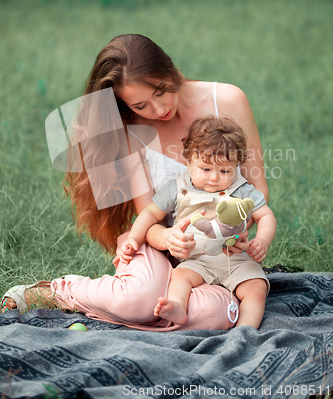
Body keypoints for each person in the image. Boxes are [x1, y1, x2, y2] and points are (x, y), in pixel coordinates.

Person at [1, 34, 269, 331]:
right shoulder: (132, 133)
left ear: (169, 70)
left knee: (213, 316)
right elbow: (150, 218)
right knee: (138, 300)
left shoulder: (228, 100)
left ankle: (148, 307)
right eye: (141, 105)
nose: (158, 109)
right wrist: (168, 239)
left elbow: (257, 193)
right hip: (156, 246)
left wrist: (241, 231)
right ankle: (61, 291)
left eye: (160, 91)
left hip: (214, 254)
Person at [118, 116, 276, 329]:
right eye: (206, 169)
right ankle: (177, 307)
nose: (214, 178)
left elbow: (265, 215)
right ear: (189, 160)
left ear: (237, 166)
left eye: (224, 171)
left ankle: (245, 331)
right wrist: (134, 239)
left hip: (235, 258)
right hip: (196, 259)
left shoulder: (242, 189)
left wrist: (262, 240)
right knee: (180, 277)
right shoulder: (178, 187)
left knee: (256, 288)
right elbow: (149, 214)